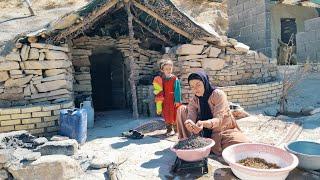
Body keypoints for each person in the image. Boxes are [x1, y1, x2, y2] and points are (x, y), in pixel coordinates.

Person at [176, 71, 249, 155]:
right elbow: (191, 115)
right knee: (181, 109)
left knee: (243, 144)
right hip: (201, 131)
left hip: (222, 129)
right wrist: (190, 123)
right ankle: (189, 139)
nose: (195, 89)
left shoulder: (217, 94)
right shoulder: (195, 100)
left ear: (205, 82)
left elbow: (218, 120)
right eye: (192, 87)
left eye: (198, 85)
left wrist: (203, 123)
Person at [153, 59, 182, 136]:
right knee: (166, 114)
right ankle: (169, 129)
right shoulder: (161, 79)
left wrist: (177, 100)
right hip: (165, 100)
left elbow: (177, 90)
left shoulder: (174, 79)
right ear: (162, 70)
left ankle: (176, 130)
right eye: (166, 69)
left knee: (174, 114)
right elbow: (158, 89)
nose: (168, 70)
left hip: (173, 99)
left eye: (170, 69)